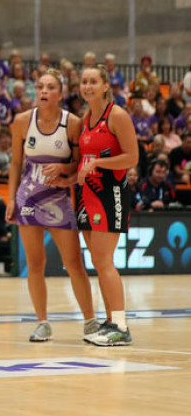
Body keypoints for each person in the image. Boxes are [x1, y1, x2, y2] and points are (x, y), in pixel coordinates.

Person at [6, 71, 97, 343]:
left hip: (59, 199)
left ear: (60, 93)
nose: (43, 91)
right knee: (35, 263)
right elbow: (14, 163)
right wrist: (10, 198)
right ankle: (42, 322)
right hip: (29, 199)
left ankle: (90, 321)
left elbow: (79, 163)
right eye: (40, 87)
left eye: (50, 87)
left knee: (74, 264)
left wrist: (63, 166)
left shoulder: (73, 123)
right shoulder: (22, 121)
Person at [68, 65, 139, 346]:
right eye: (84, 82)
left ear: (106, 85)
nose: (87, 86)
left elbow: (132, 157)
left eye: (93, 82)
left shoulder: (117, 116)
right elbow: (85, 161)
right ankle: (112, 322)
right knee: (98, 261)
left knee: (105, 261)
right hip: (88, 195)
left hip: (111, 192)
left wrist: (98, 163)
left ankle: (121, 326)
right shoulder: (86, 118)